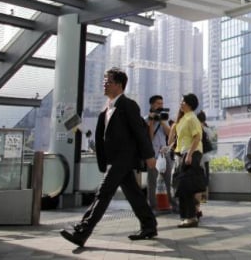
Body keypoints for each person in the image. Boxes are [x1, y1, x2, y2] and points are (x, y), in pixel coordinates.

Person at [60, 68, 157, 247]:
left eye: (108, 82)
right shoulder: (107, 108)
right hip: (115, 160)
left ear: (119, 85)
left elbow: (139, 132)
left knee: (103, 193)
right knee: (134, 194)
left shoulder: (128, 105)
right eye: (104, 81)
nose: (104, 84)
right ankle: (149, 225)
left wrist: (149, 155)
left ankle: (82, 232)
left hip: (123, 159)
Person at [172, 93, 205, 228]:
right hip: (182, 154)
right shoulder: (183, 119)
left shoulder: (192, 118)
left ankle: (191, 217)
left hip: (191, 154)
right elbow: (179, 140)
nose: (180, 103)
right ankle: (187, 216)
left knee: (186, 187)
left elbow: (197, 137)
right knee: (182, 187)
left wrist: (190, 155)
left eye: (182, 101)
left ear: (189, 104)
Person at [145, 95, 176, 212]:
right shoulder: (146, 119)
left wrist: (162, 122)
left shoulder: (164, 118)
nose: (161, 106)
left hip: (164, 153)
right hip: (152, 154)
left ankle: (173, 204)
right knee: (152, 182)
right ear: (152, 105)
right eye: (158, 103)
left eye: (162, 103)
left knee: (170, 180)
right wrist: (152, 121)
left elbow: (169, 134)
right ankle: (153, 206)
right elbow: (150, 137)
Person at [197, 110, 214, 203]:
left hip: (198, 156)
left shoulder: (198, 127)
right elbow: (212, 136)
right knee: (205, 176)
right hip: (206, 156)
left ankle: (201, 196)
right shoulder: (206, 128)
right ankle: (204, 196)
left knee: (199, 176)